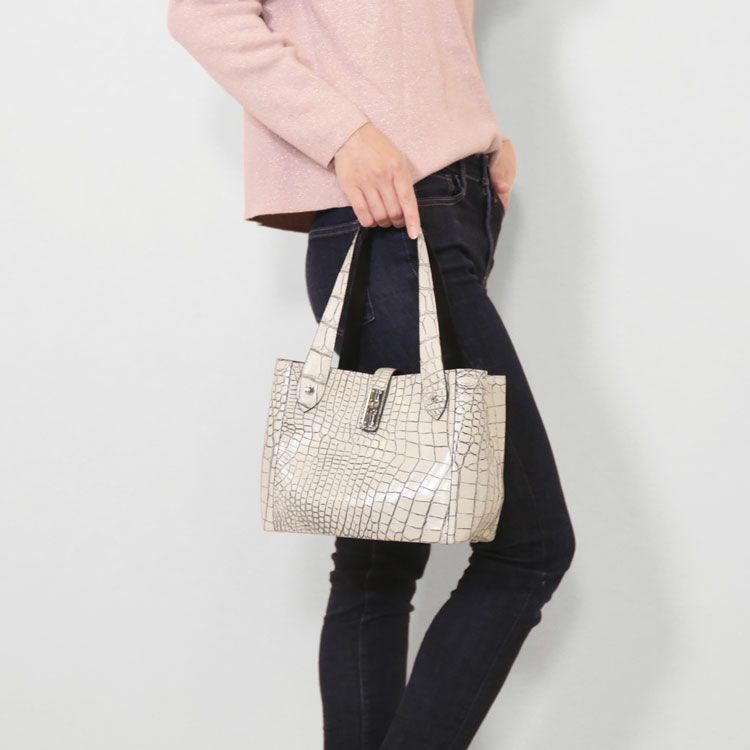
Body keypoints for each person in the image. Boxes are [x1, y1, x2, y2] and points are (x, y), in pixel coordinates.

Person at [167, 2, 576, 748]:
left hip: (443, 206)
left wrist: (480, 133)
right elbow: (204, 15)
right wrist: (345, 135)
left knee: (378, 566)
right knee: (529, 547)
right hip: (392, 220)